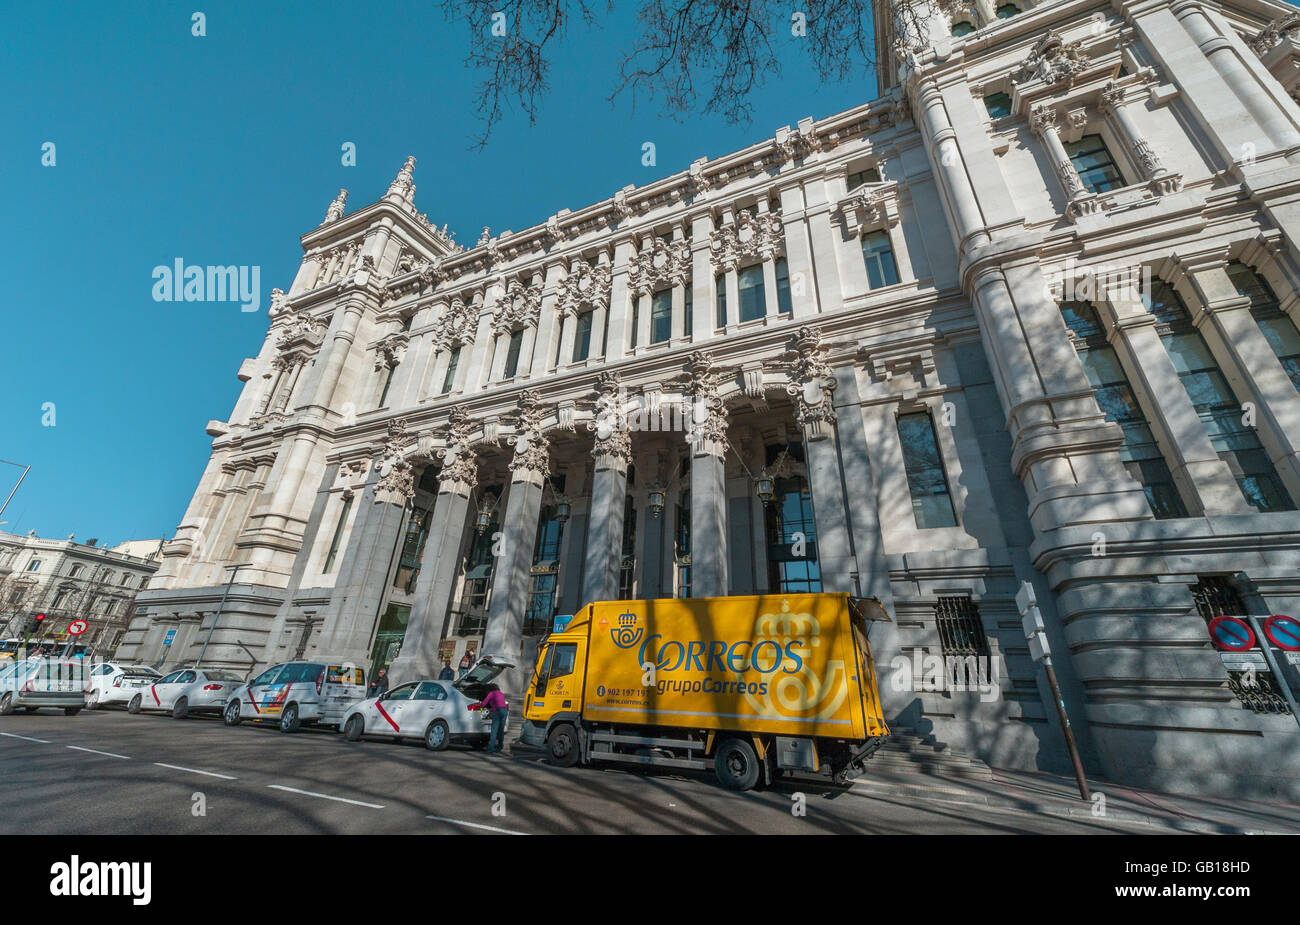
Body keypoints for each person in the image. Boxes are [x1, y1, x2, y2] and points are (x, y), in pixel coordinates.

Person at [469, 684, 508, 753]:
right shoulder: (501, 693)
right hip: (504, 711)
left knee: (494, 731)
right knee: (501, 730)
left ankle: (490, 749)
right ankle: (500, 746)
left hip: (497, 711)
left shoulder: (491, 693)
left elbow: (484, 703)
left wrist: (479, 706)